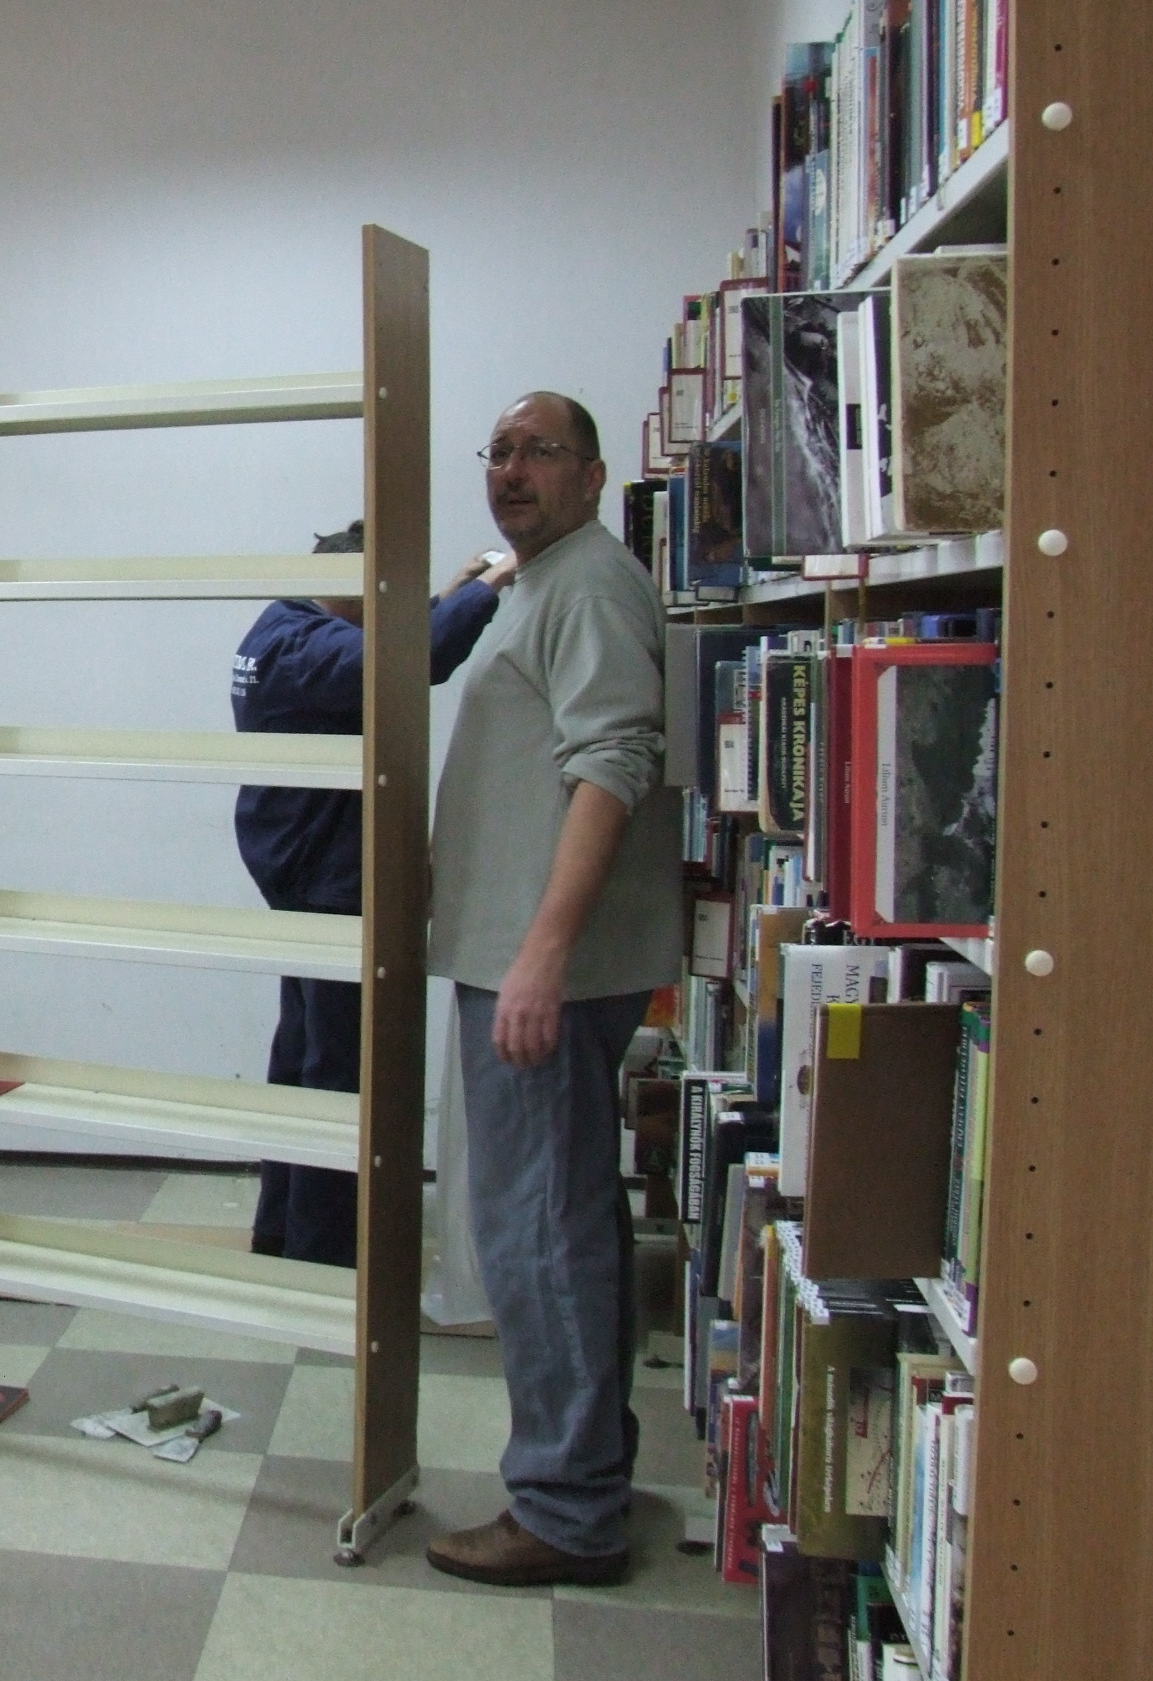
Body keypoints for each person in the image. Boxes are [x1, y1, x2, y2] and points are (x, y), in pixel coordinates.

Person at [422, 393, 680, 1588]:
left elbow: (614, 764)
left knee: (536, 1232)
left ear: (592, 475)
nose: (513, 471)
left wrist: (543, 954)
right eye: (502, 452)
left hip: (541, 976)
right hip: (519, 960)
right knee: (566, 1218)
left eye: (541, 452)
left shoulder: (590, 589)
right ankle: (588, 1477)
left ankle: (566, 1513)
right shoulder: (537, 584)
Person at [231, 522, 516, 1266]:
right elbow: (408, 658)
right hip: (324, 876)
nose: (392, 608)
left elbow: (380, 645)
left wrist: (452, 593)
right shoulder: (306, 650)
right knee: (338, 1071)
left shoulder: (284, 626)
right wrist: (494, 583)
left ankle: (281, 1233)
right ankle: (325, 1255)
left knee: (303, 1055)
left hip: (300, 867)